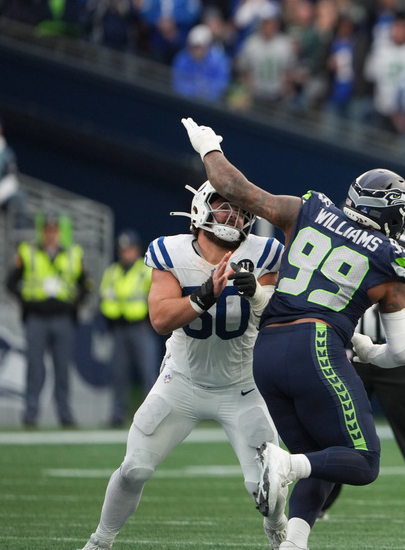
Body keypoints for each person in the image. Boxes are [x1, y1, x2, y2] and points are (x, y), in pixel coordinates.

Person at [180, 117, 405, 550]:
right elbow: (403, 353)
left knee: (321, 458)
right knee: (363, 462)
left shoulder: (307, 209)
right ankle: (285, 467)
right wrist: (366, 349)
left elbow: (236, 189)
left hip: (267, 350)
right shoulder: (391, 259)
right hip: (317, 347)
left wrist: (207, 147)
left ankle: (294, 543)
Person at [78, 181, 288, 550]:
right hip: (183, 382)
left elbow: (277, 316)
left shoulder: (265, 252)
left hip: (241, 386)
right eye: (226, 205)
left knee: (268, 487)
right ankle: (100, 541)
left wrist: (256, 291)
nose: (235, 214)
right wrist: (206, 293)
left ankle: (278, 531)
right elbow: (159, 318)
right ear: (202, 208)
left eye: (240, 207)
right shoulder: (171, 251)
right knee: (134, 468)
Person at [322, 234, 405, 520]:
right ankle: (321, 499)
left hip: (396, 353)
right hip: (352, 351)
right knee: (336, 428)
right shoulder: (343, 239)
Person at [7, 212, 90, 428]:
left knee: (62, 369)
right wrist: (26, 302)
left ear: (60, 233)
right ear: (42, 232)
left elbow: (86, 285)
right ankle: (30, 414)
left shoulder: (73, 254)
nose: (51, 235)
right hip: (37, 318)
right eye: (48, 230)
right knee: (34, 367)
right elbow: (10, 282)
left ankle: (65, 414)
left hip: (62, 318)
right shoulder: (29, 253)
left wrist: (74, 304)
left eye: (54, 230)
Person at [99, 229, 155, 427]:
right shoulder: (112, 272)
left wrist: (150, 321)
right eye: (122, 250)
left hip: (141, 328)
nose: (126, 253)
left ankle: (152, 417)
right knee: (118, 373)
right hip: (119, 328)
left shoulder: (145, 270)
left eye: (129, 249)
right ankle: (117, 415)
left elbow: (156, 297)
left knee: (148, 371)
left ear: (136, 250)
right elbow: (104, 297)